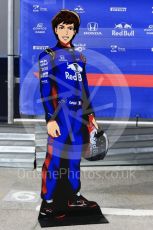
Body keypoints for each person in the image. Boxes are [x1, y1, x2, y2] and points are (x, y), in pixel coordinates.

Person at [38, 9, 99, 219]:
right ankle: (47, 202)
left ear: (75, 31)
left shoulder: (80, 57)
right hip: (60, 116)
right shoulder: (48, 55)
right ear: (55, 29)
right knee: (53, 160)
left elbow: (84, 88)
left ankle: (74, 196)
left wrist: (91, 116)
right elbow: (45, 89)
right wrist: (50, 119)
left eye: (70, 28)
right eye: (62, 27)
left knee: (74, 159)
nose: (66, 32)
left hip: (78, 115)